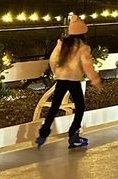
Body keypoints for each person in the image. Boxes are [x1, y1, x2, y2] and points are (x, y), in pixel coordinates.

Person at [35, 14, 102, 149]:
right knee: (80, 107)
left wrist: (57, 73)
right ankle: (73, 136)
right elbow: (87, 66)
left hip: (61, 79)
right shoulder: (83, 48)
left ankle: (43, 134)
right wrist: (95, 80)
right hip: (73, 80)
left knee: (54, 107)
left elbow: (53, 60)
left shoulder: (63, 44)